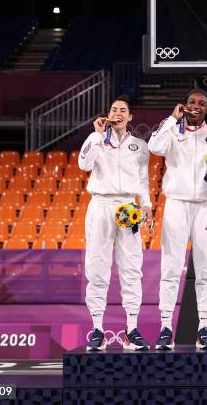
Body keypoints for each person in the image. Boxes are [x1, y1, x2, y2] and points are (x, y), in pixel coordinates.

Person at [148, 89, 207, 350]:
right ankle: (165, 327)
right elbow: (154, 147)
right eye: (192, 102)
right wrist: (172, 121)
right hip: (177, 205)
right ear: (183, 105)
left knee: (206, 269)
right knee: (171, 268)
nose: (196, 106)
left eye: (201, 103)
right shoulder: (171, 132)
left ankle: (204, 327)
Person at [78, 94, 153, 351]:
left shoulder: (140, 146)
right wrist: (96, 136)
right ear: (109, 115)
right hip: (100, 204)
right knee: (97, 267)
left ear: (130, 117)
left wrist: (147, 206)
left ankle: (131, 329)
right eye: (114, 109)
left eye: (123, 109)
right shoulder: (97, 140)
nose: (118, 112)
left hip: (128, 208)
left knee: (132, 268)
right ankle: (97, 329)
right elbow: (83, 163)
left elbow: (143, 180)